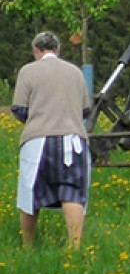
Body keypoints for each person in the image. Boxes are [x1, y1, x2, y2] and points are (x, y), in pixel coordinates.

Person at [12, 32, 91, 249]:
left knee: (30, 194)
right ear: (58, 49)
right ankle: (74, 247)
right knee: (72, 192)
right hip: (73, 140)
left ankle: (28, 246)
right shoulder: (75, 72)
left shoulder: (28, 71)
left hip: (38, 141)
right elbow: (85, 110)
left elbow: (19, 109)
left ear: (36, 50)